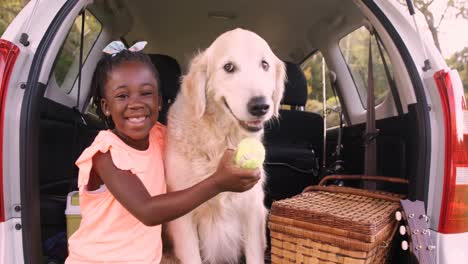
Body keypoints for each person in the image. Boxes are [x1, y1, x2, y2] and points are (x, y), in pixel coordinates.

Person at [65, 41, 261, 264]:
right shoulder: (106, 153)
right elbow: (147, 211)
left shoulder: (162, 137)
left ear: (159, 102)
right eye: (122, 96)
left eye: (146, 93)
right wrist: (218, 182)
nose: (135, 103)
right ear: (106, 106)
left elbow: (199, 145)